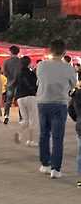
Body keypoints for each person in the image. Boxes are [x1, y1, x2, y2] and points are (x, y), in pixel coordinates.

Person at [36, 38, 76, 178]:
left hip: (43, 102)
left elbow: (39, 81)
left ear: (50, 50)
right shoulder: (69, 68)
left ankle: (45, 164)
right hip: (60, 104)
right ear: (64, 52)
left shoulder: (41, 65)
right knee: (58, 137)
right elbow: (73, 85)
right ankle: (56, 169)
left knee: (44, 134)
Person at [14, 56, 38, 147]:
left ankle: (19, 132)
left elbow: (14, 84)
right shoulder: (31, 73)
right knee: (33, 120)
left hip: (20, 97)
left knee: (25, 120)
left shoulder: (18, 73)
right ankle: (30, 141)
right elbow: (35, 85)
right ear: (29, 63)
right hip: (30, 96)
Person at [2, 45, 21, 124]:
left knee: (8, 101)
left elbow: (5, 73)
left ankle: (6, 116)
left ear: (10, 52)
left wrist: (10, 78)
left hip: (10, 83)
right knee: (19, 101)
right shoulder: (21, 61)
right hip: (19, 84)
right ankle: (21, 117)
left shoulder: (6, 61)